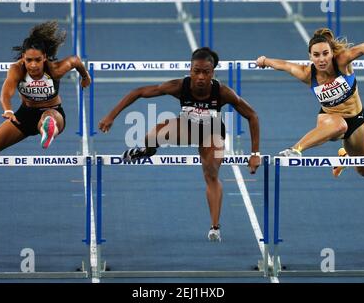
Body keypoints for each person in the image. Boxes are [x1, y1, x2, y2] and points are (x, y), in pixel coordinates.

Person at [99, 47, 260, 241]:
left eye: (206, 72)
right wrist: (111, 116)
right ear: (190, 69)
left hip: (212, 134)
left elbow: (252, 115)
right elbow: (139, 92)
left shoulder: (223, 92)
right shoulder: (179, 86)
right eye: (196, 71)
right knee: (151, 136)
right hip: (186, 127)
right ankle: (146, 151)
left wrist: (255, 154)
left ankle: (215, 227)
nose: (200, 77)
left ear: (213, 73)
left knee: (211, 173)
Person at [256, 28, 364, 178]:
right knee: (340, 125)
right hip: (329, 119)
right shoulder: (307, 74)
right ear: (310, 57)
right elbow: (285, 65)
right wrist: (264, 61)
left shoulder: (342, 62)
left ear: (332, 53)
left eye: (325, 54)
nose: (321, 59)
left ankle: (343, 157)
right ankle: (294, 150)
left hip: (357, 120)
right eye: (316, 55)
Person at [0, 21, 90, 156]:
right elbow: (6, 93)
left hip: (52, 112)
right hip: (25, 115)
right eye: (29, 60)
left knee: (48, 118)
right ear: (23, 57)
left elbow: (75, 60)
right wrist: (8, 110)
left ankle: (48, 130)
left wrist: (85, 76)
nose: (33, 65)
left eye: (37, 60)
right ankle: (46, 129)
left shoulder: (55, 70)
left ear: (44, 58)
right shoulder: (17, 69)